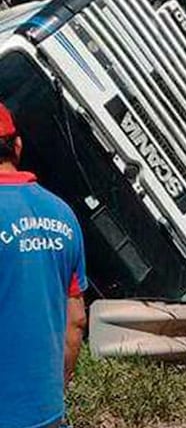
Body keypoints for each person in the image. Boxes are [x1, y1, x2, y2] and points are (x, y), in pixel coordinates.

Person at [0, 102, 88, 428]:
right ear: (18, 145)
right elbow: (76, 321)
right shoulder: (63, 214)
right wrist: (55, 391)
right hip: (47, 414)